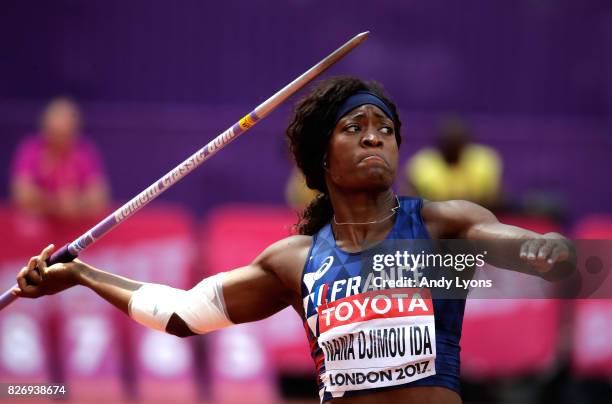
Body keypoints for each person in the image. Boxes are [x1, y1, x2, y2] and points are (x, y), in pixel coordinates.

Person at [11, 77, 573, 404]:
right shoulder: (296, 261)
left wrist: (547, 249)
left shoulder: (442, 226)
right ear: (322, 159)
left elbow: (516, 244)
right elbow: (180, 313)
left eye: (386, 129)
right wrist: (82, 274)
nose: (375, 136)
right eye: (355, 128)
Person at [10, 97, 110, 220]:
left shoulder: (84, 152)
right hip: (38, 226)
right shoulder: (31, 150)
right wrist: (54, 203)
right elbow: (21, 193)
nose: (59, 142)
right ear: (45, 129)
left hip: (76, 228)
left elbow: (99, 196)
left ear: (74, 132)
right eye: (55, 134)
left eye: (65, 135)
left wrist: (78, 202)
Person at [404, 117, 501, 208]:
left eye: (457, 143)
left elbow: (494, 199)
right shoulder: (422, 165)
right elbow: (411, 200)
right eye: (449, 143)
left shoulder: (482, 161)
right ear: (440, 143)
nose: (453, 147)